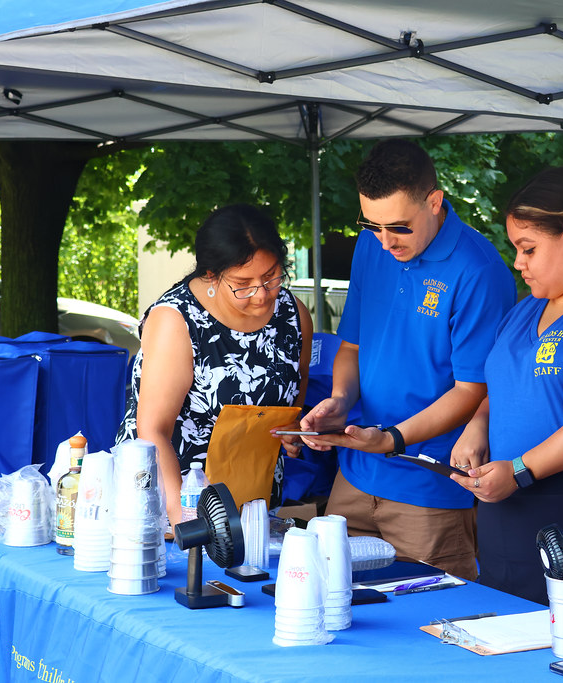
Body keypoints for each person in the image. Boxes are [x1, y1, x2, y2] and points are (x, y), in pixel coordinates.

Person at [300, 139, 516, 580]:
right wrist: (339, 401)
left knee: (432, 623)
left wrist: (394, 439)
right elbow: (353, 347)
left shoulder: (479, 270)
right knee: (334, 605)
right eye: (372, 225)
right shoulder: (370, 246)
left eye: (398, 227)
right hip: (356, 473)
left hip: (430, 485)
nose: (384, 241)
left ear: (434, 202)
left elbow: (473, 389)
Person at [447, 167, 563, 604]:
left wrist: (523, 470)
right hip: (501, 505)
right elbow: (502, 385)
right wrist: (477, 427)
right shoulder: (525, 309)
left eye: (528, 249)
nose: (518, 263)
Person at [116, 204, 313, 529]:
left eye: (271, 276)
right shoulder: (176, 320)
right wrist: (185, 517)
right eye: (242, 283)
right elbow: (152, 430)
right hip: (174, 497)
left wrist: (292, 431)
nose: (262, 295)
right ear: (211, 274)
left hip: (253, 497)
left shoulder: (292, 314)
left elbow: (291, 401)